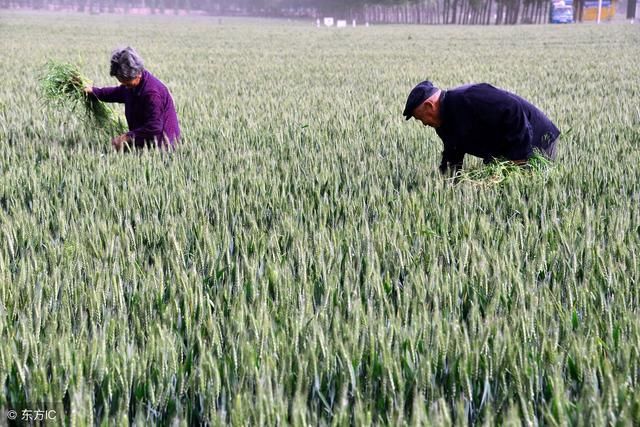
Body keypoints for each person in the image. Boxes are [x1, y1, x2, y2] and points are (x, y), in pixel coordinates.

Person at [403, 81, 560, 176]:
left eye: (419, 117)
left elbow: (513, 110)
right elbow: (453, 151)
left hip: (539, 142)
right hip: (507, 153)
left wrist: (518, 159)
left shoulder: (467, 97)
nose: (423, 123)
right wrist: (449, 181)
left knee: (527, 194)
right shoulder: (443, 123)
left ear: (430, 106)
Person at [84, 47, 180, 151]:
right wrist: (93, 91)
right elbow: (117, 93)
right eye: (122, 82)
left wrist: (126, 137)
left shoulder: (152, 93)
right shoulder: (132, 85)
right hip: (145, 143)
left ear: (138, 74)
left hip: (162, 147)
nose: (124, 86)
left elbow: (154, 127)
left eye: (126, 82)